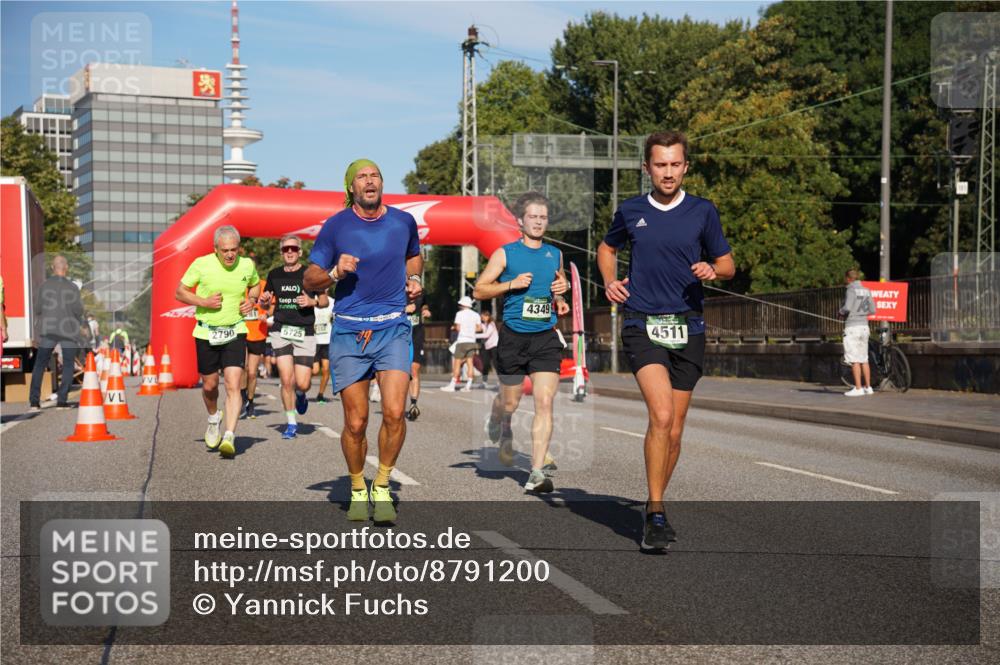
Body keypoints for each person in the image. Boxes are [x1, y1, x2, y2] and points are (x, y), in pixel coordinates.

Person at [598, 131, 735, 551]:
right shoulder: (632, 210)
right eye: (660, 165)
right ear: (647, 168)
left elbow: (728, 264)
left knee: (674, 431)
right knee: (660, 416)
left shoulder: (702, 212)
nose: (668, 172)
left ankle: (655, 502)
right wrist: (609, 281)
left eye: (675, 164)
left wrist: (714, 270)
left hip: (689, 326)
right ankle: (655, 514)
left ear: (686, 167)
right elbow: (607, 249)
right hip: (642, 323)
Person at [303, 158, 423, 524]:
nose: (369, 182)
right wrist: (336, 272)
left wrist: (415, 280)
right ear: (351, 188)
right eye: (362, 177)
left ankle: (382, 484)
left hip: (393, 327)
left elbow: (414, 257)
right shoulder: (336, 226)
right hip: (349, 331)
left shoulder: (403, 222)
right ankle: (358, 486)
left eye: (375, 176)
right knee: (356, 423)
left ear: (382, 184)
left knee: (394, 412)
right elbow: (310, 280)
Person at [474, 191, 570, 493]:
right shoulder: (505, 253)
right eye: (533, 217)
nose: (538, 222)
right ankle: (498, 415)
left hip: (545, 337)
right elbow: (479, 290)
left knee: (544, 401)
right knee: (511, 401)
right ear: (520, 221)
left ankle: (537, 472)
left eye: (543, 217)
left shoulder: (555, 254)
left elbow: (556, 284)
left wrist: (561, 293)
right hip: (513, 338)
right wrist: (511, 284)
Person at [175, 226, 263, 458]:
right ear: (216, 249)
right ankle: (214, 418)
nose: (230, 255)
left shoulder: (246, 265)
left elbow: (254, 285)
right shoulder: (201, 264)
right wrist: (203, 300)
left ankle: (229, 436)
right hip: (206, 333)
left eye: (234, 249)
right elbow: (180, 292)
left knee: (233, 385)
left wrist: (251, 300)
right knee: (210, 386)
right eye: (225, 250)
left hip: (235, 331)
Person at [263, 234, 329, 439]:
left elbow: (325, 300)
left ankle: (301, 395)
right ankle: (291, 423)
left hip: (305, 331)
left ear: (300, 252)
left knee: (303, 383)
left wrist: (312, 303)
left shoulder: (311, 274)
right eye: (286, 249)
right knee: (286, 379)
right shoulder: (274, 275)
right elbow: (266, 304)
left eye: (293, 249)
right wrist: (264, 302)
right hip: (281, 330)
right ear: (282, 252)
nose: (289, 252)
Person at [29, 255, 86, 411]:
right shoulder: (73, 288)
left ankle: (34, 402)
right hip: (68, 330)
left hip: (49, 330)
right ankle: (62, 401)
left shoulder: (44, 286)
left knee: (40, 364)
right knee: (68, 365)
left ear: (52, 268)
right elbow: (78, 310)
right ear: (66, 268)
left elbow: (38, 309)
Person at [839, 269, 875, 396]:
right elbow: (873, 310)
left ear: (849, 279)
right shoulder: (866, 290)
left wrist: (841, 312)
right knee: (864, 359)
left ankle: (858, 388)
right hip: (864, 326)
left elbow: (847, 307)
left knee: (854, 359)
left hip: (853, 327)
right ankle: (868, 387)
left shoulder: (850, 289)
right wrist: (861, 315)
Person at [241, 279, 269, 419]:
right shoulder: (237, 284)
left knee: (252, 373)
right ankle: (241, 398)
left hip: (258, 334)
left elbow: (273, 305)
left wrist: (267, 314)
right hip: (240, 332)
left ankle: (250, 402)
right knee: (243, 367)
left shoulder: (264, 286)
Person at [441, 296, 481, 392]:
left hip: (462, 340)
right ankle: (468, 385)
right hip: (472, 341)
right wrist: (471, 330)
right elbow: (479, 328)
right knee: (470, 363)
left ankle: (452, 385)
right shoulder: (476, 315)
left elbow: (458, 328)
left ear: (463, 305)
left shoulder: (459, 314)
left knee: (457, 363)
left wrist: (459, 329)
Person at [405, 296, 430, 420]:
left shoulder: (420, 293)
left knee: (414, 369)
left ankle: (413, 404)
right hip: (398, 335)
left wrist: (425, 310)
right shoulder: (395, 287)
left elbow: (424, 304)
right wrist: (404, 310)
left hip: (416, 336)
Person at [313, 295, 334, 403]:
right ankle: (299, 384)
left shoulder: (332, 301)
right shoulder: (312, 300)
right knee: (315, 370)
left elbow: (336, 317)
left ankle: (320, 395)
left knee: (326, 370)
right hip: (314, 340)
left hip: (327, 340)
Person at [476, 309, 499, 388]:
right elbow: (478, 327)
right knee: (485, 364)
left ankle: (501, 382)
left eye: (484, 317)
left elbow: (486, 335)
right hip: (486, 346)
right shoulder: (484, 324)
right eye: (482, 317)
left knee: (496, 364)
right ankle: (484, 382)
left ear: (488, 316)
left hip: (494, 346)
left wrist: (474, 335)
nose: (483, 318)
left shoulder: (491, 324)